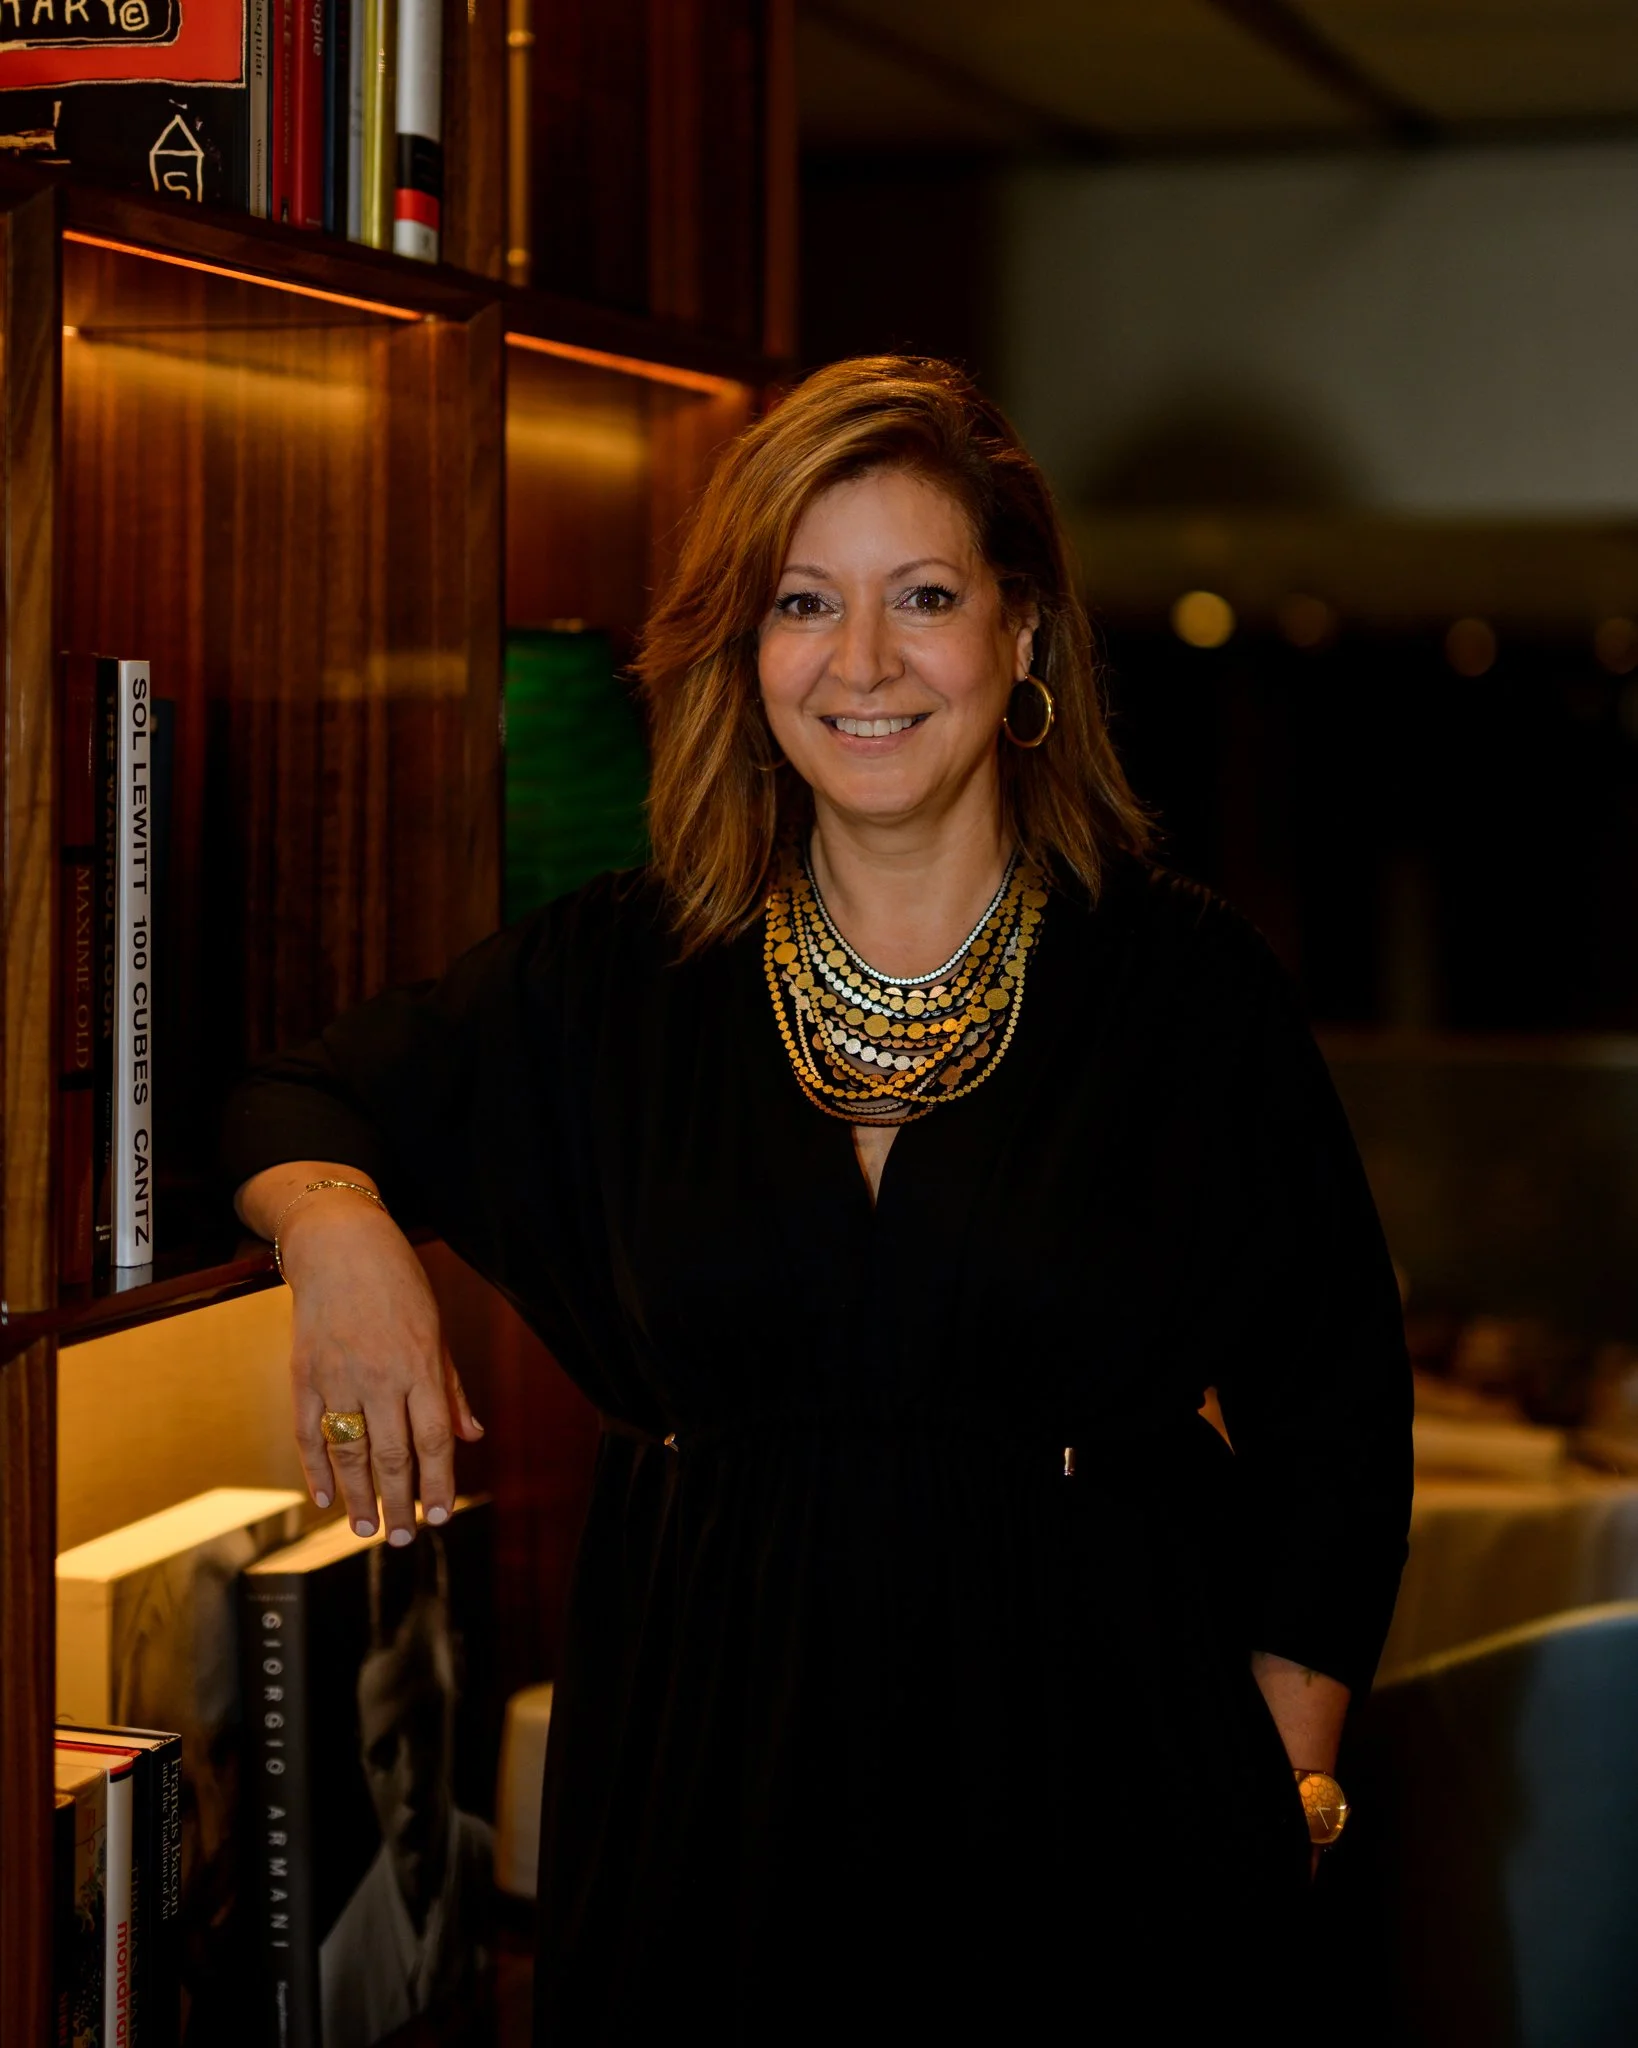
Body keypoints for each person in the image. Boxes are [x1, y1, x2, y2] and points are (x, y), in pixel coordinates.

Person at [228, 356, 1412, 2040]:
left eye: (920, 596)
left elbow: (1337, 1422)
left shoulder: (1185, 988)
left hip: (1107, 1812)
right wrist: (339, 1225)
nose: (860, 662)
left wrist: (1282, 1786)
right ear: (743, 647)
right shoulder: (622, 971)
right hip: (703, 1801)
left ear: (1020, 638)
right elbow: (292, 1090)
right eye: (803, 601)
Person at [319, 1535, 495, 2048]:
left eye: (427, 1722)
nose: (414, 1784)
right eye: (382, 1756)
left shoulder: (493, 1865)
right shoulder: (339, 1978)